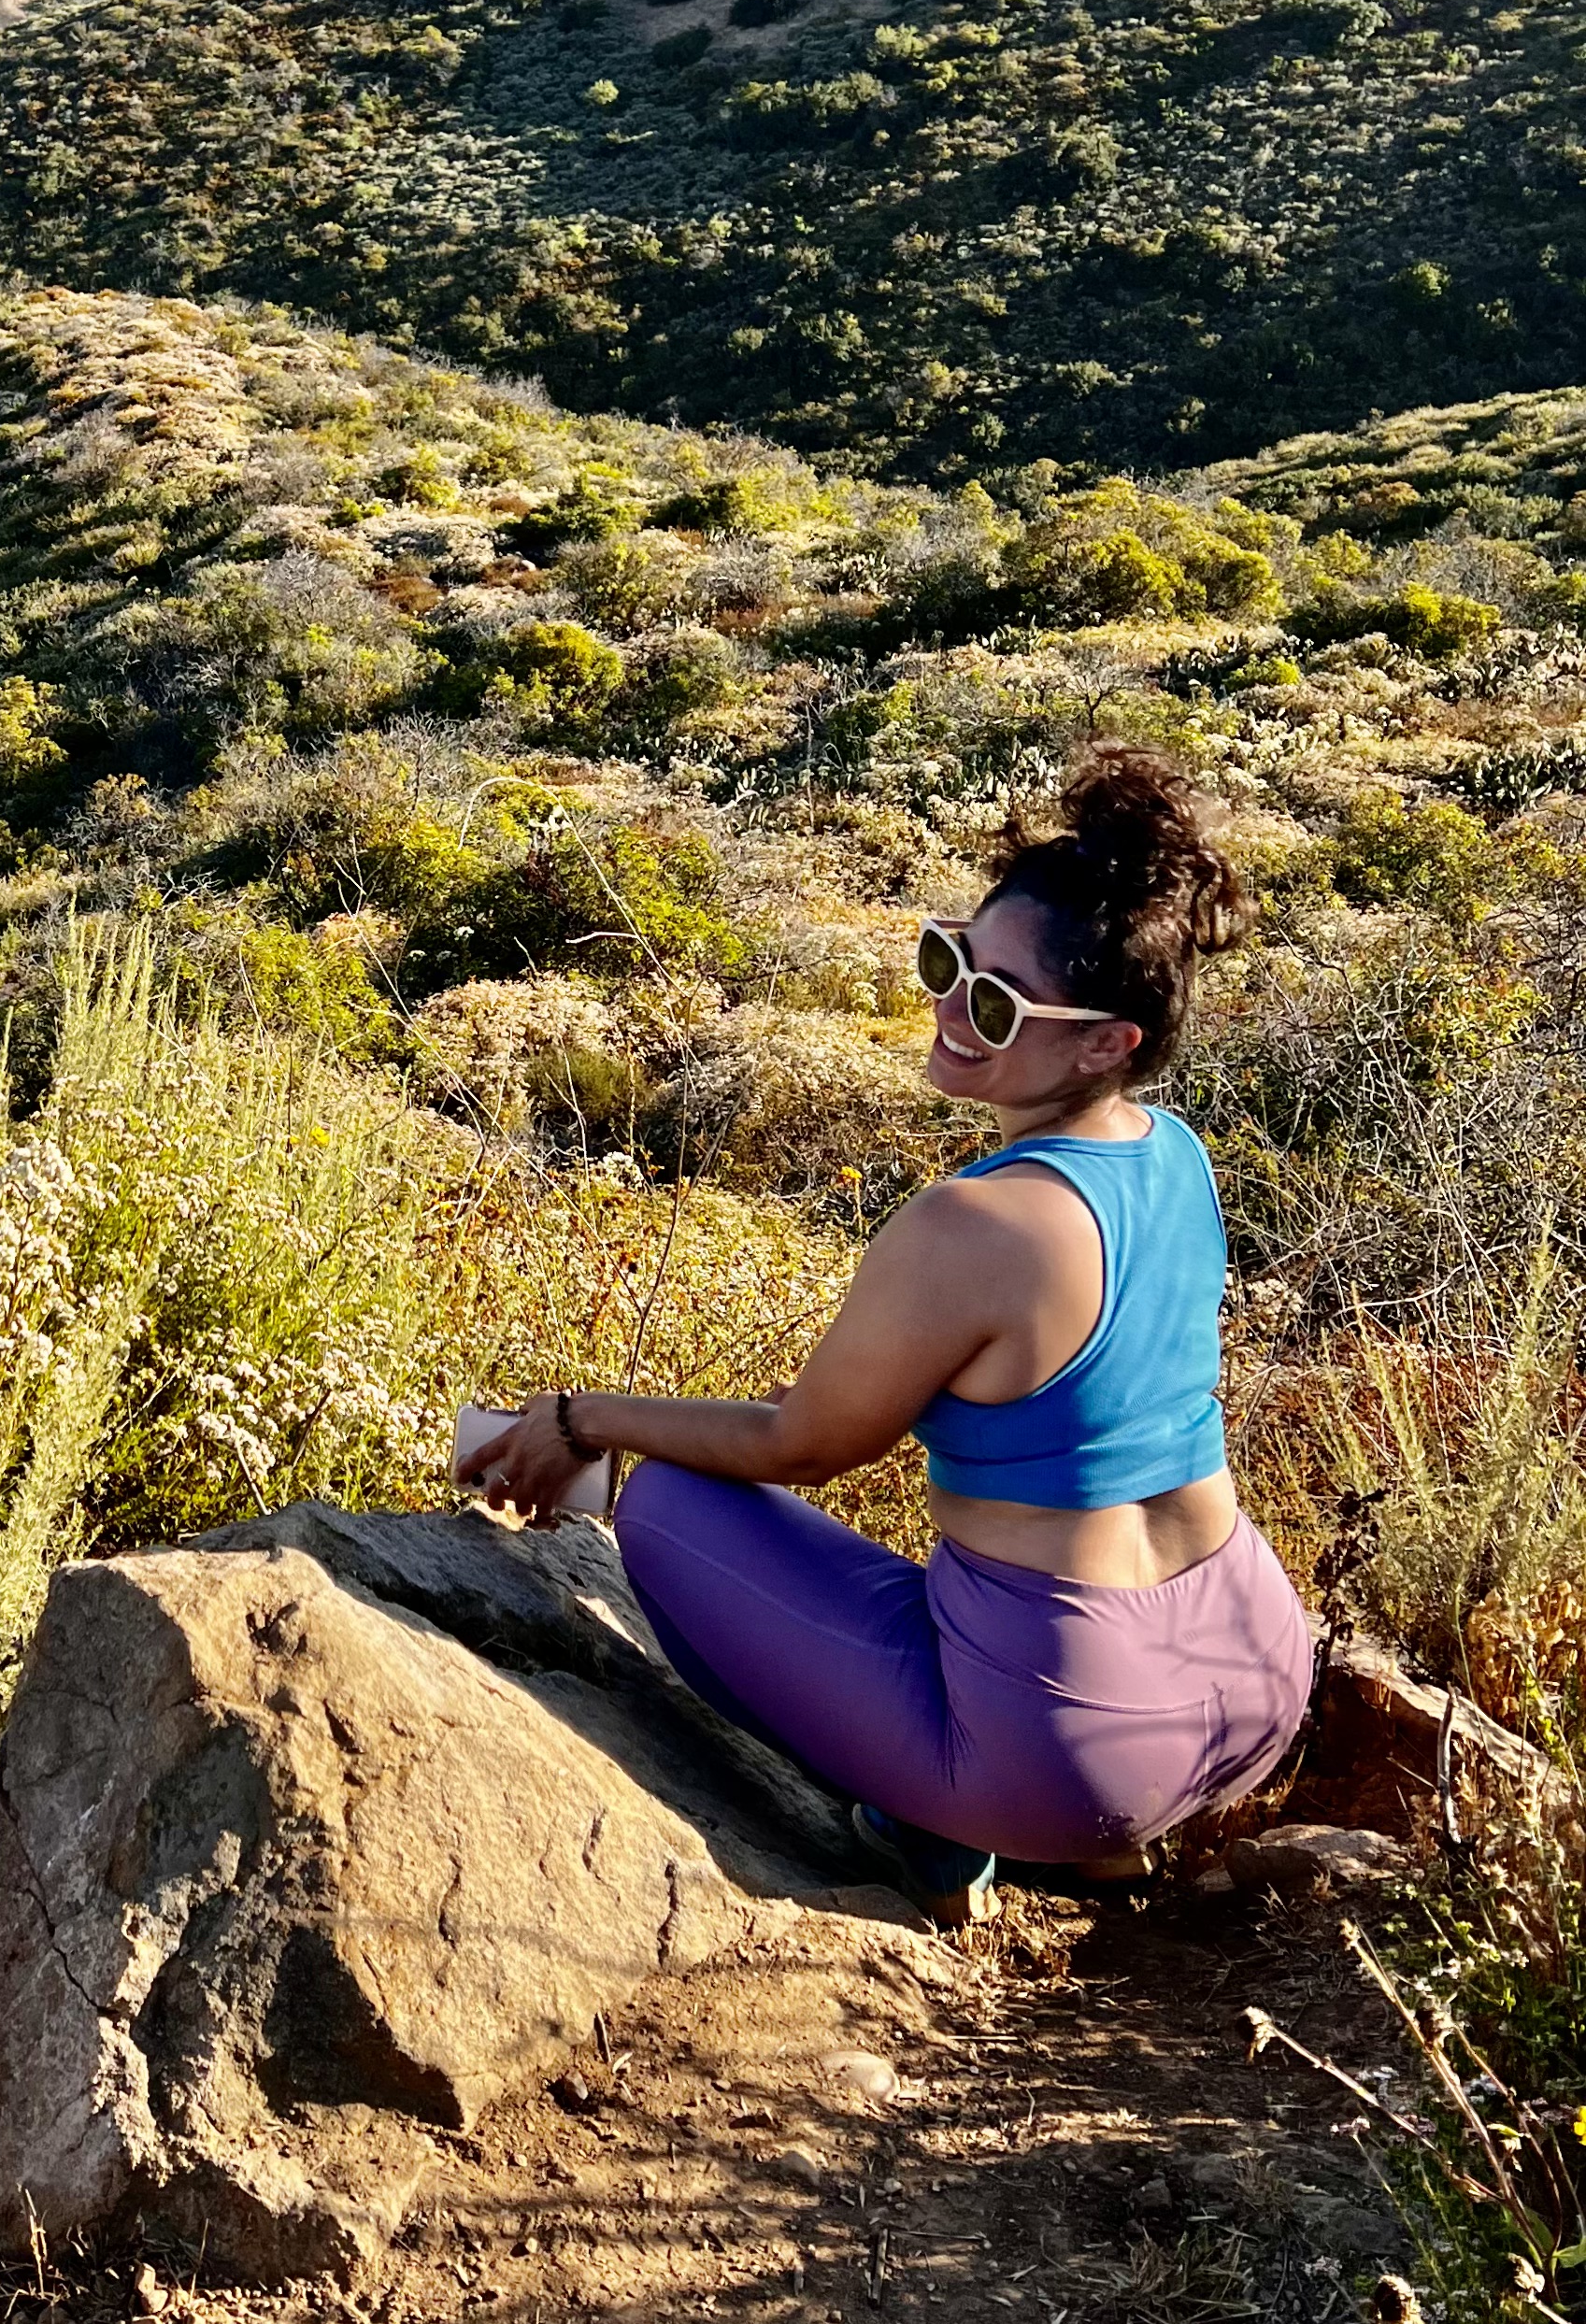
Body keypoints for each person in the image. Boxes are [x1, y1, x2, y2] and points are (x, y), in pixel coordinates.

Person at [456, 747, 1313, 1910]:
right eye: (948, 959)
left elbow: (797, 1446)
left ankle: (938, 1829)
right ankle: (1070, 1830)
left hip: (1073, 1754)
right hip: (1256, 1676)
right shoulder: (1172, 1154)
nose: (952, 1008)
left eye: (998, 999)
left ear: (1106, 1040)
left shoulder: (977, 1225)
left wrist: (575, 1419)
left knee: (664, 1502)